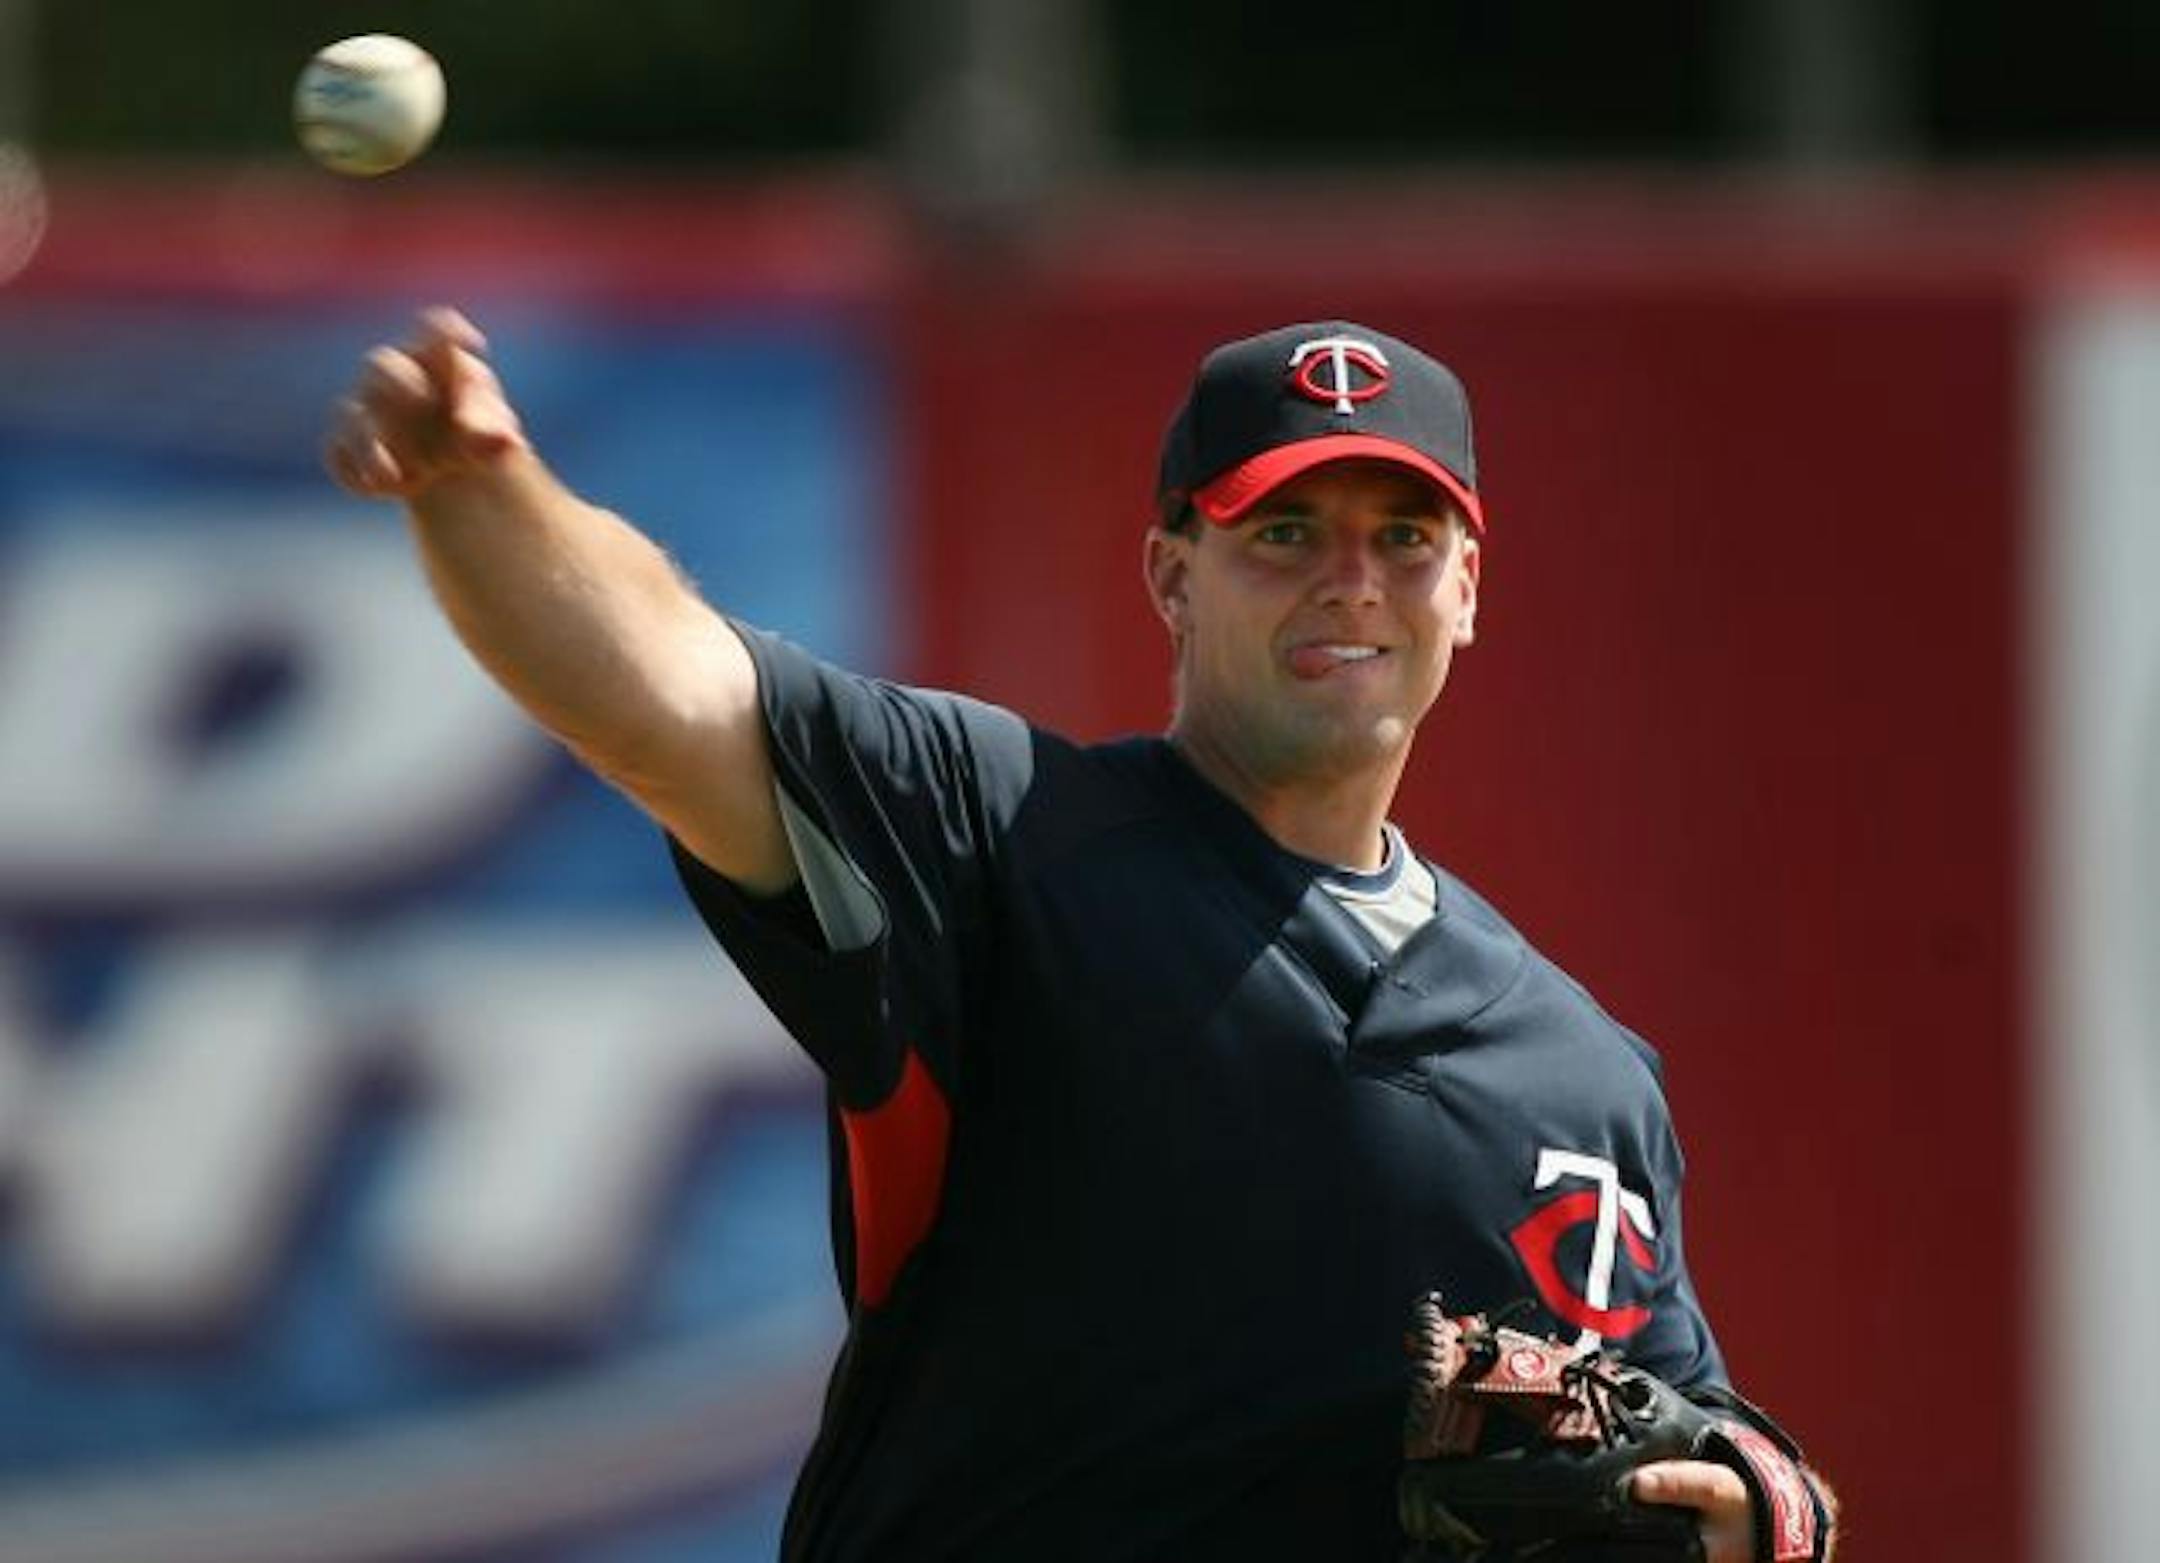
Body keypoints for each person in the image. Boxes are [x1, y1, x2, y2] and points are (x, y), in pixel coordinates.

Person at [327, 310, 1835, 1562]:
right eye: (1284, 531)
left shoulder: (1582, 1077)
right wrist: (487, 491)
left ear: (1469, 588)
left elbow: (1689, 1431)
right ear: (1173, 574)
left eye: (1405, 535)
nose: (1352, 581)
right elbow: (668, 695)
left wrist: (1765, 1502)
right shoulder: (998, 836)